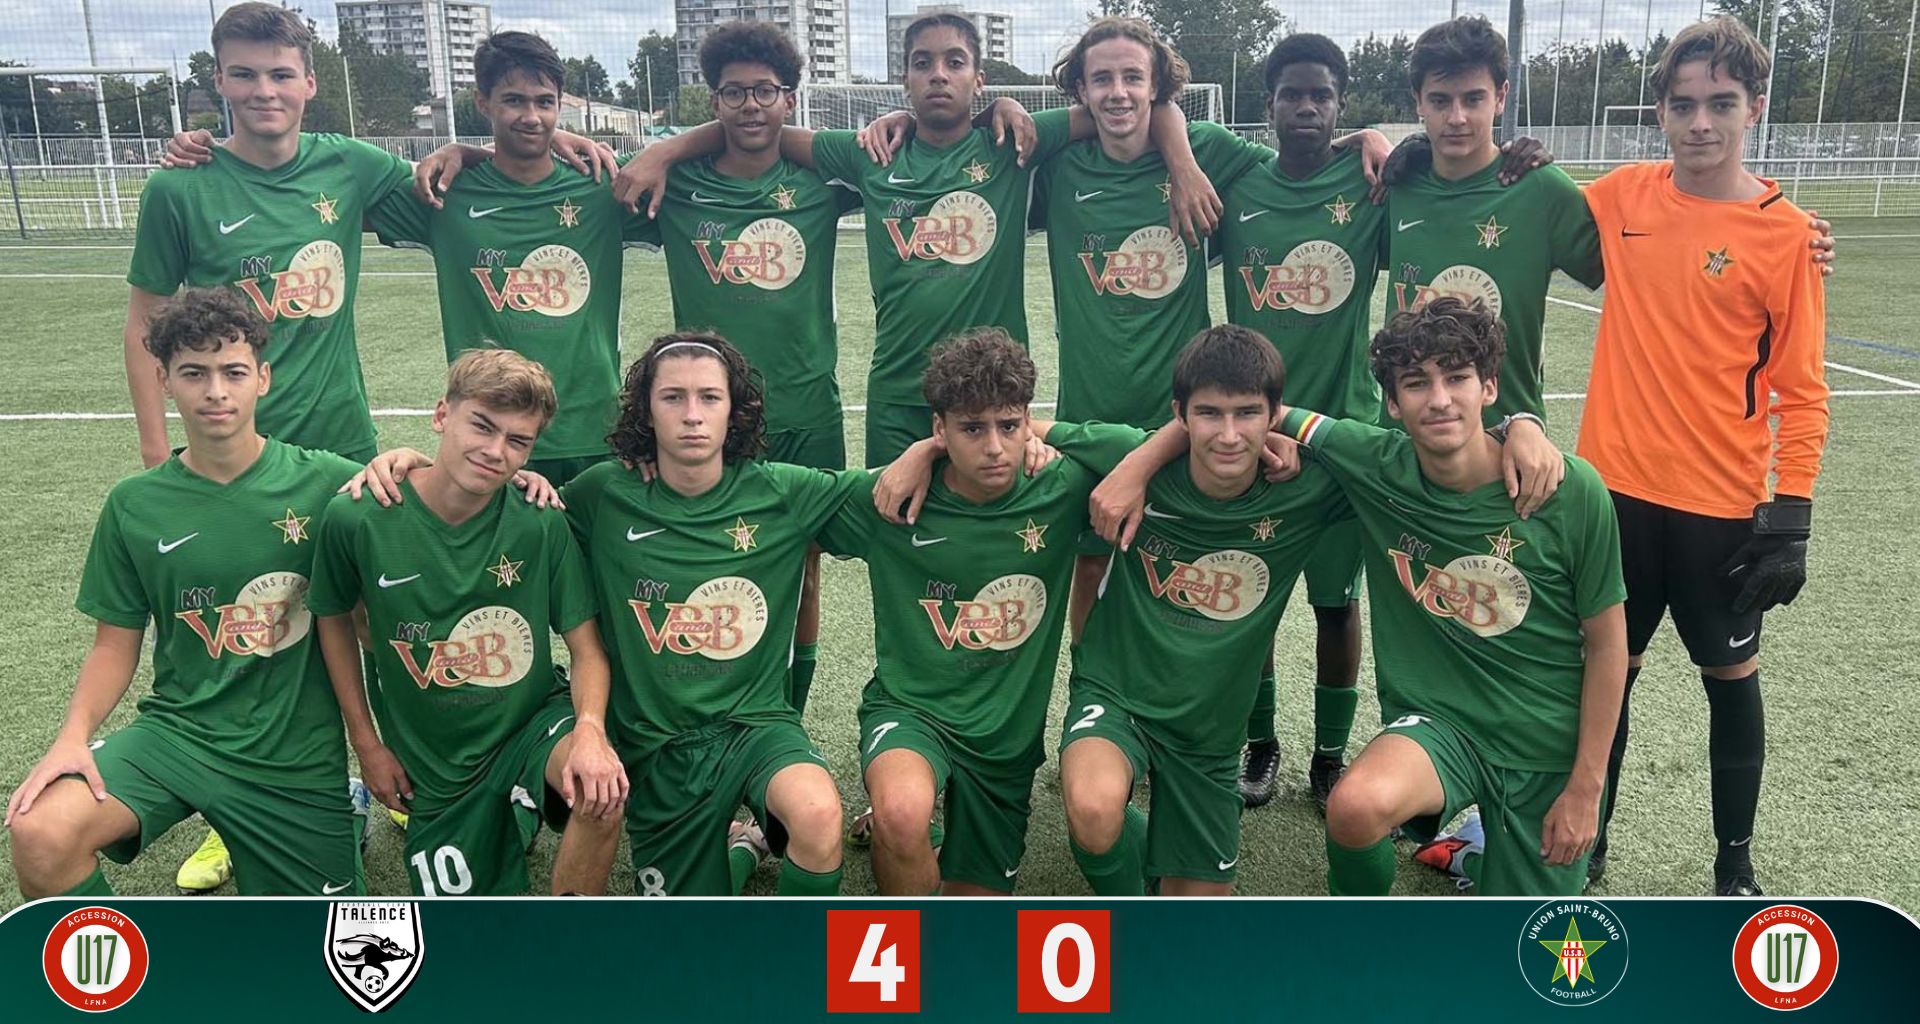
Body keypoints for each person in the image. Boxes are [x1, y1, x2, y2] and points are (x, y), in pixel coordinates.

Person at [1576, 16, 1829, 897]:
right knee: (1608, 675)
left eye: (1721, 103)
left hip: (1719, 506)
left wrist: (1792, 514)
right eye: (1682, 105)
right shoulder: (1621, 196)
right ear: (1659, 112)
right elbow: (1517, 196)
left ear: (1755, 107)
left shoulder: (1787, 234)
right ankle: (1588, 841)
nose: (1700, 123)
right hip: (1611, 497)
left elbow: (1803, 387)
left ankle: (1735, 864)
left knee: (1729, 676)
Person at [7, 288, 371, 898]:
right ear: (165, 381)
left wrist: (404, 461)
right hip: (180, 735)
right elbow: (112, 646)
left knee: (318, 949)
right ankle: (117, 964)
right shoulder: (135, 504)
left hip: (294, 754)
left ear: (263, 379)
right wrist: (71, 736)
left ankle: (343, 814)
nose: (216, 391)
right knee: (41, 832)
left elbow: (428, 502)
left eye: (234, 372)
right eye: (194, 373)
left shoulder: (328, 482)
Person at [1280, 298, 1627, 897]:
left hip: (1542, 744)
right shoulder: (1376, 465)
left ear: (1489, 387)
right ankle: (1355, 937)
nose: (1439, 399)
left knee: (1528, 944)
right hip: (1441, 727)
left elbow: (1608, 645)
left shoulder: (1571, 492)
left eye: (1457, 377)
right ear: (1393, 403)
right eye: (1416, 383)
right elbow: (1261, 411)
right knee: (1354, 806)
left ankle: (1474, 854)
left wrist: (1585, 788)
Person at [1041, 325, 1349, 896]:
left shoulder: (1310, 487)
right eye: (1209, 413)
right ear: (1179, 414)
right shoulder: (1126, 454)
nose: (1228, 435)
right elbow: (1016, 429)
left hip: (1211, 732)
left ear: (1275, 415)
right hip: (1117, 695)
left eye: (1248, 413)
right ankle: (1137, 904)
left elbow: (1402, 458)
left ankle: (1165, 869)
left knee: (1199, 916)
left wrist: (1516, 425)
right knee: (1093, 808)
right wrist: (925, 449)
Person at [308, 349, 628, 895]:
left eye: (518, 441)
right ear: (441, 415)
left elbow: (587, 649)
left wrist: (590, 733)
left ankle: (572, 938)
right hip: (436, 759)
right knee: (469, 929)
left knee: (600, 794)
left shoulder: (539, 521)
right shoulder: (357, 516)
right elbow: (333, 622)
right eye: (482, 426)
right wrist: (367, 745)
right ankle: (516, 814)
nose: (495, 451)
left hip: (528, 724)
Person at [619, 21, 864, 715]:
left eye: (765, 91)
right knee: (719, 566)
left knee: (804, 571)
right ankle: (715, 710)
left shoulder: (822, 180)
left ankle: (787, 716)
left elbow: (906, 158)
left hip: (807, 406)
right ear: (714, 99)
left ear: (790, 97)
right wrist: (668, 148)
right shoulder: (676, 185)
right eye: (734, 92)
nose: (751, 105)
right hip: (710, 414)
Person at [558, 334, 853, 896]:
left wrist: (925, 451)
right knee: (685, 928)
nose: (692, 415)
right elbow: (513, 517)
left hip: (756, 726)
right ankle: (741, 850)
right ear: (647, 410)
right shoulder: (601, 494)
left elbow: (890, 494)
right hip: (658, 744)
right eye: (673, 397)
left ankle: (796, 942)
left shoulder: (782, 491)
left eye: (709, 397)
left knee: (818, 814)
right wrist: (415, 467)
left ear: (733, 409)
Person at [821, 330, 1093, 895]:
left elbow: (1158, 447)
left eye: (1009, 426)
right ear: (940, 429)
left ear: (1028, 421)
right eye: (972, 428)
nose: (994, 447)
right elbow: (771, 500)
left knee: (972, 913)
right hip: (911, 710)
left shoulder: (1062, 488)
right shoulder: (892, 496)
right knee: (902, 813)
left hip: (1005, 739)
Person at [357, 31, 645, 487]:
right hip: (489, 440)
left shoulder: (602, 185)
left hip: (593, 433)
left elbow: (717, 156)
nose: (531, 117)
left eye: (544, 102)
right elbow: (343, 196)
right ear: (483, 102)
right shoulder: (444, 193)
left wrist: (668, 148)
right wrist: (464, 152)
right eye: (513, 101)